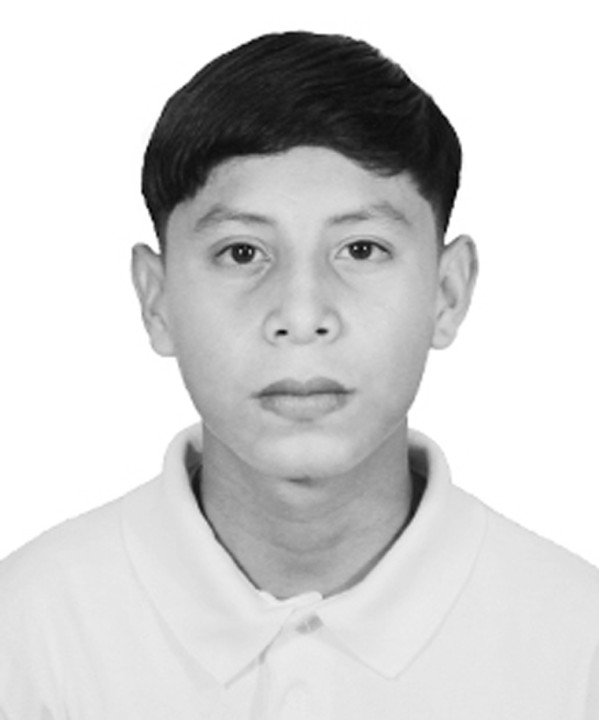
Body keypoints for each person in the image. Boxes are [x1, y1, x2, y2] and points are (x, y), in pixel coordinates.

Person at [1, 30, 597, 720]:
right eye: (242, 252)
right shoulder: (28, 634)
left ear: (447, 292)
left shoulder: (577, 645)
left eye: (361, 249)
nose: (302, 315)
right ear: (156, 299)